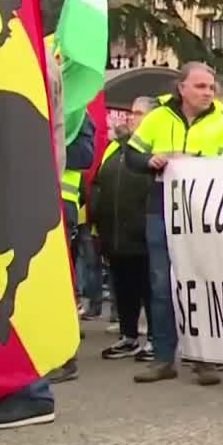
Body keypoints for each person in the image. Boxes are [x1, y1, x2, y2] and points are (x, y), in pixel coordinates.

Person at [126, 62, 223, 385]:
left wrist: (197, 163)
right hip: (161, 207)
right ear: (182, 88)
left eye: (210, 87)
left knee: (202, 283)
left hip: (203, 213)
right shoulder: (157, 117)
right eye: (200, 86)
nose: (208, 93)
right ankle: (164, 358)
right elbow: (131, 156)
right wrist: (151, 160)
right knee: (161, 284)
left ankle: (205, 358)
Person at [0, 49, 70, 429]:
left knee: (17, 288)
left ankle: (30, 392)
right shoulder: (28, 51)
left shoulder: (24, 58)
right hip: (25, 185)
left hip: (18, 189)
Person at [90, 97, 156, 361]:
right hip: (114, 233)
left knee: (149, 288)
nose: (130, 118)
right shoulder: (115, 148)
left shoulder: (153, 148)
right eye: (130, 113)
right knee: (123, 287)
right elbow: (98, 183)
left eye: (138, 113)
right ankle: (129, 336)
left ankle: (154, 339)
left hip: (142, 232)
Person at [48, 106, 95, 384]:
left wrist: (48, 141)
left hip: (59, 205)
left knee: (56, 282)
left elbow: (84, 156)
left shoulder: (75, 112)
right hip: (21, 199)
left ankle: (63, 357)